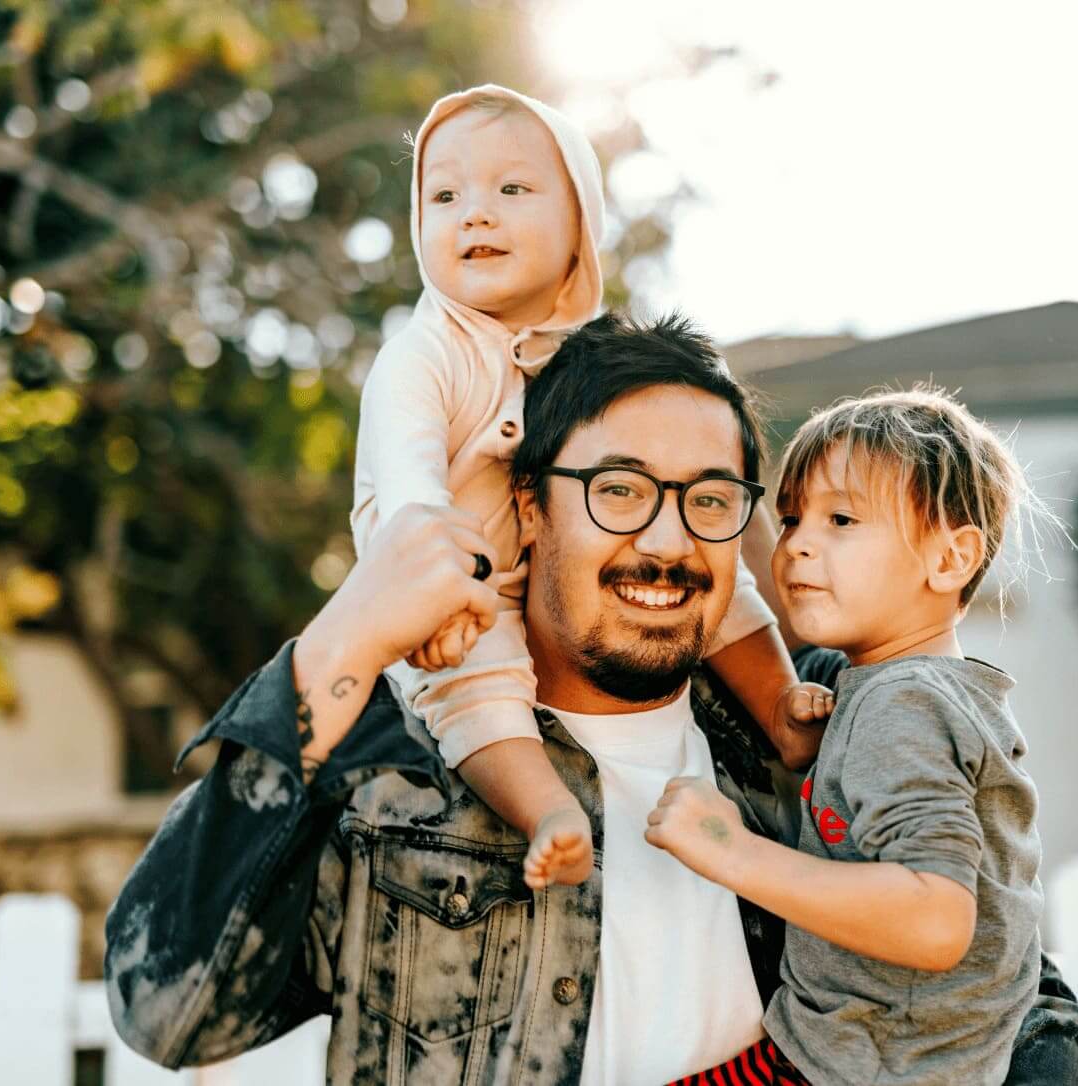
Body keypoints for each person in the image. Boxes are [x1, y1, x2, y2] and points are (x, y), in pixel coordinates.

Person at [104, 313, 1078, 1084]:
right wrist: (343, 638)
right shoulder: (389, 762)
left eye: (709, 500)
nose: (667, 542)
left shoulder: (804, 729)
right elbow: (169, 1010)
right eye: (619, 489)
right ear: (529, 507)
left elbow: (1004, 979)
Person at [351, 85, 829, 891]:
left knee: (719, 576)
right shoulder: (424, 355)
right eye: (444, 196)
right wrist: (436, 598)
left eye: (511, 190)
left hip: (530, 575)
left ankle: (781, 709)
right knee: (478, 689)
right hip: (452, 593)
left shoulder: (593, 361)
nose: (475, 214)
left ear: (580, 224)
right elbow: (409, 493)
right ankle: (547, 809)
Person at [651, 389, 1059, 1084]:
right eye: (790, 517)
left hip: (855, 1066)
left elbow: (936, 919)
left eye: (841, 518)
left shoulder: (901, 704)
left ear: (951, 559)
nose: (799, 542)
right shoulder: (921, 691)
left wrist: (730, 851)